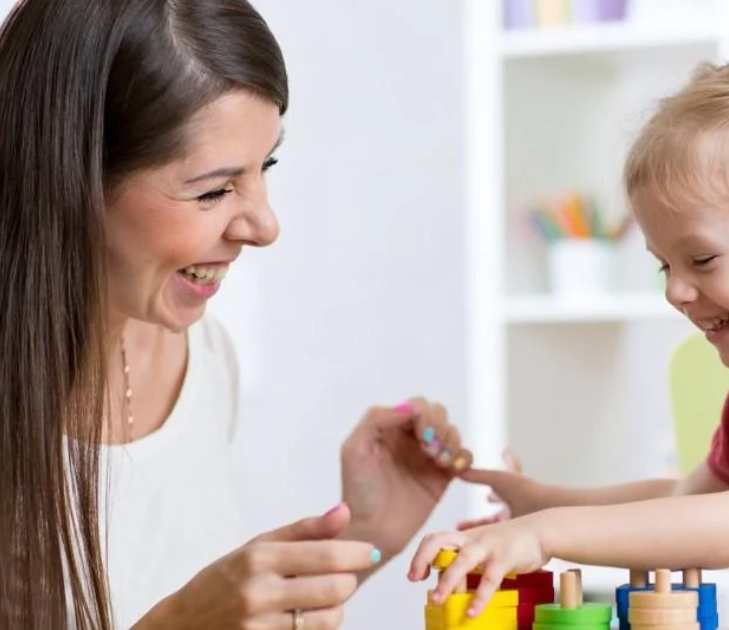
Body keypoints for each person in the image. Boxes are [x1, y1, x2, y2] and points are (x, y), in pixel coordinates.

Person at [408, 54, 729, 630]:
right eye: (665, 265)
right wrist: (541, 503)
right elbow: (688, 501)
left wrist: (543, 533)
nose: (676, 291)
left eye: (702, 259)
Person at [0, 1, 473, 629]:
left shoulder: (204, 356)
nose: (265, 226)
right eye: (214, 190)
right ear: (69, 178)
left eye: (265, 166)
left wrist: (364, 533)